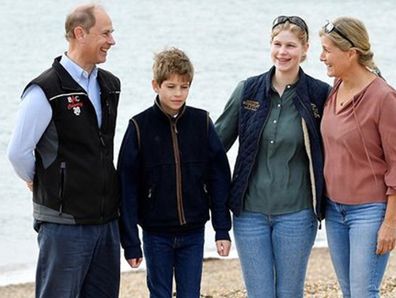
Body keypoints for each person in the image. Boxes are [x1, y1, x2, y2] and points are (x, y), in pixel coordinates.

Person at [7, 4, 121, 297]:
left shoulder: (110, 85)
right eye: (105, 33)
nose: (112, 40)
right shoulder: (44, 89)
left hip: (106, 222)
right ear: (80, 33)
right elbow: (18, 152)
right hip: (63, 225)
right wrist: (43, 182)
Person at [215, 16, 330, 298]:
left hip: (297, 214)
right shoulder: (247, 90)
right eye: (277, 44)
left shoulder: (319, 94)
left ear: (305, 49)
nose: (283, 52)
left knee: (290, 293)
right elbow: (214, 147)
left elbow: (340, 144)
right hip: (249, 214)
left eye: (291, 45)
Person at [117, 47, 232, 298]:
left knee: (190, 294)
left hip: (193, 231)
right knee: (159, 294)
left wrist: (222, 228)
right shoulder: (138, 126)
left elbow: (219, 176)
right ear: (155, 85)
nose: (178, 93)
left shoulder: (202, 122)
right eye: (171, 86)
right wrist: (131, 243)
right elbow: (126, 188)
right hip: (156, 233)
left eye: (184, 86)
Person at [319, 17, 396, 297]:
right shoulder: (336, 87)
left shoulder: (384, 97)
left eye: (327, 50)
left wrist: (390, 223)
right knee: (350, 292)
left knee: (364, 293)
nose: (321, 57)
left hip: (369, 212)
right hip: (334, 209)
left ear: (351, 53)